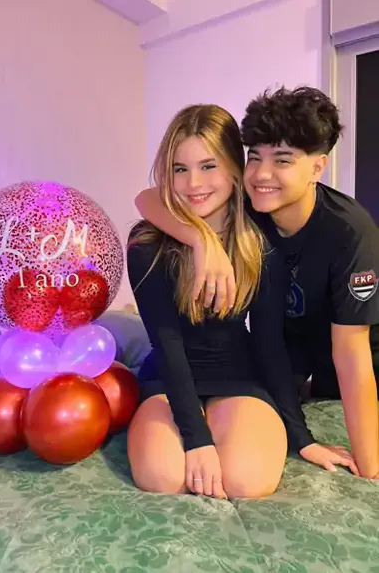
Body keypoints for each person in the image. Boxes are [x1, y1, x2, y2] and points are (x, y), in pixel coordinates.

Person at [134, 86, 378, 479]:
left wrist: (356, 463)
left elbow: (335, 353)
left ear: (318, 167)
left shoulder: (324, 233)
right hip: (194, 369)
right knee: (161, 474)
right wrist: (200, 241)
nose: (263, 175)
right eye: (255, 158)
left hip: (304, 354)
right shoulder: (232, 208)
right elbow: (148, 199)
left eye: (282, 160)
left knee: (249, 475)